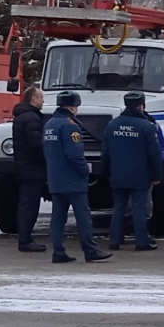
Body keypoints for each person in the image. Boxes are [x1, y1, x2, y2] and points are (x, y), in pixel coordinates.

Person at [43, 91, 111, 263]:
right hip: (72, 180)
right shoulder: (71, 126)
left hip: (55, 179)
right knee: (83, 217)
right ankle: (90, 250)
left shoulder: (49, 124)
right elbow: (75, 155)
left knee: (58, 218)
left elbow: (46, 151)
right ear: (73, 107)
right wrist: (84, 171)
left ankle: (58, 252)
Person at [105, 90, 164, 251]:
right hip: (140, 175)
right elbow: (154, 154)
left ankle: (115, 241)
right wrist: (157, 174)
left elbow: (105, 152)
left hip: (118, 174)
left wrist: (106, 172)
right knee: (139, 208)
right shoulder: (146, 126)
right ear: (141, 106)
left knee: (118, 208)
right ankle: (141, 242)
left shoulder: (112, 125)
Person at [10, 83, 49, 253]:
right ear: (33, 99)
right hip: (32, 169)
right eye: (41, 98)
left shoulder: (22, 116)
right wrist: (48, 159)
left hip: (25, 167)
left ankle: (25, 238)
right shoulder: (32, 118)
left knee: (25, 204)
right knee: (29, 206)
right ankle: (25, 240)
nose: (43, 101)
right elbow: (36, 144)